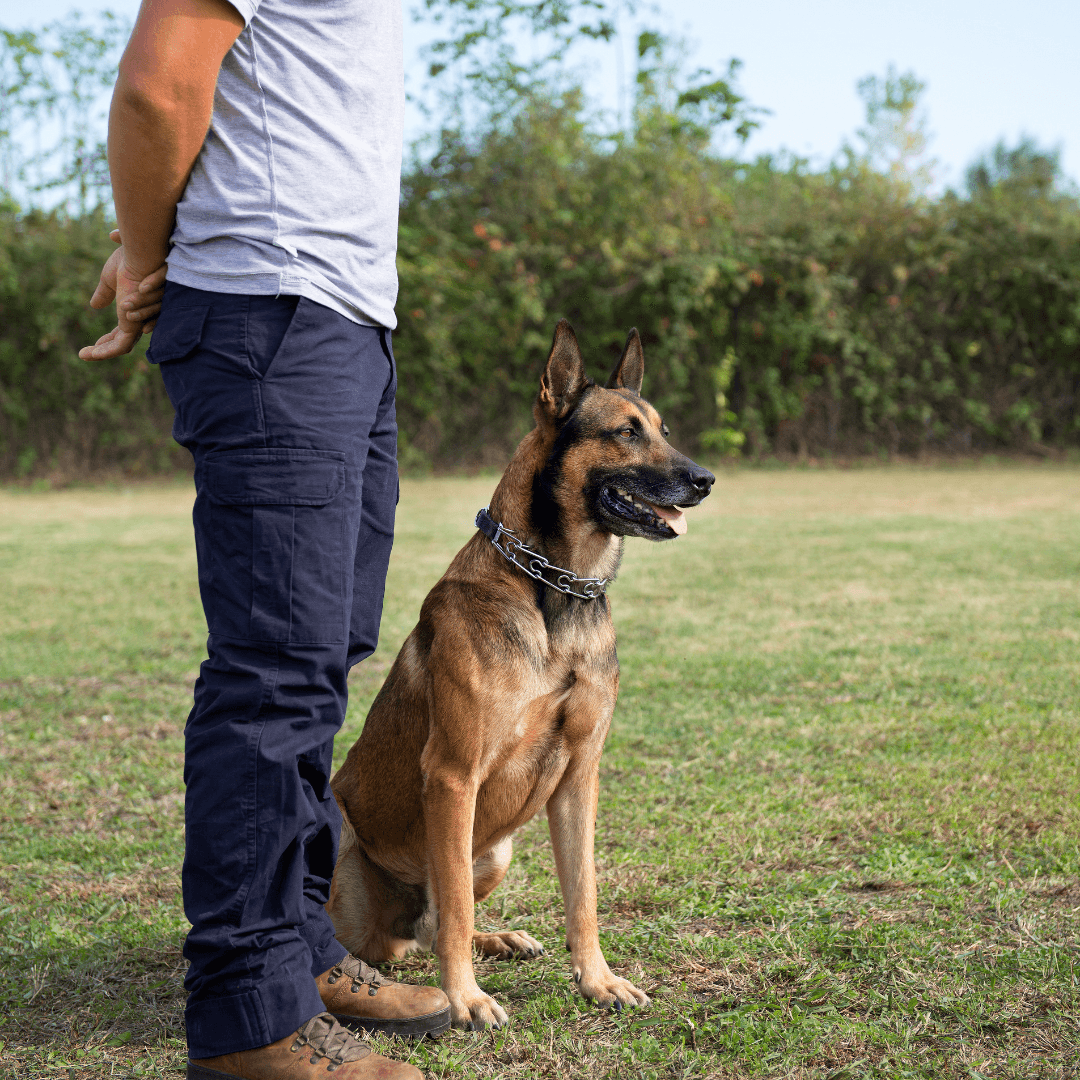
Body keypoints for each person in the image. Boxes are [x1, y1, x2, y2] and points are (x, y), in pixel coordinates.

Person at [79, 0, 451, 1076]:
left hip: (336, 314)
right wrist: (146, 254)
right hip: (270, 306)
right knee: (274, 669)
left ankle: (296, 945)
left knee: (323, 647)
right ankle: (250, 1016)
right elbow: (161, 87)